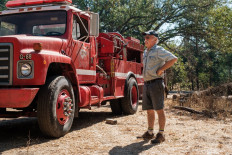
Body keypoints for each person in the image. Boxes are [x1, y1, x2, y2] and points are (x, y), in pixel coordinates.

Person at [137, 30, 178, 144]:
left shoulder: (159, 50)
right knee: (149, 110)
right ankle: (150, 133)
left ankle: (161, 134)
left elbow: (173, 59)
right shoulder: (146, 52)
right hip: (147, 84)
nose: (145, 40)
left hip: (156, 83)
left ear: (155, 39)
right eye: (145, 38)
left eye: (148, 37)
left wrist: (161, 69)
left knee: (159, 109)